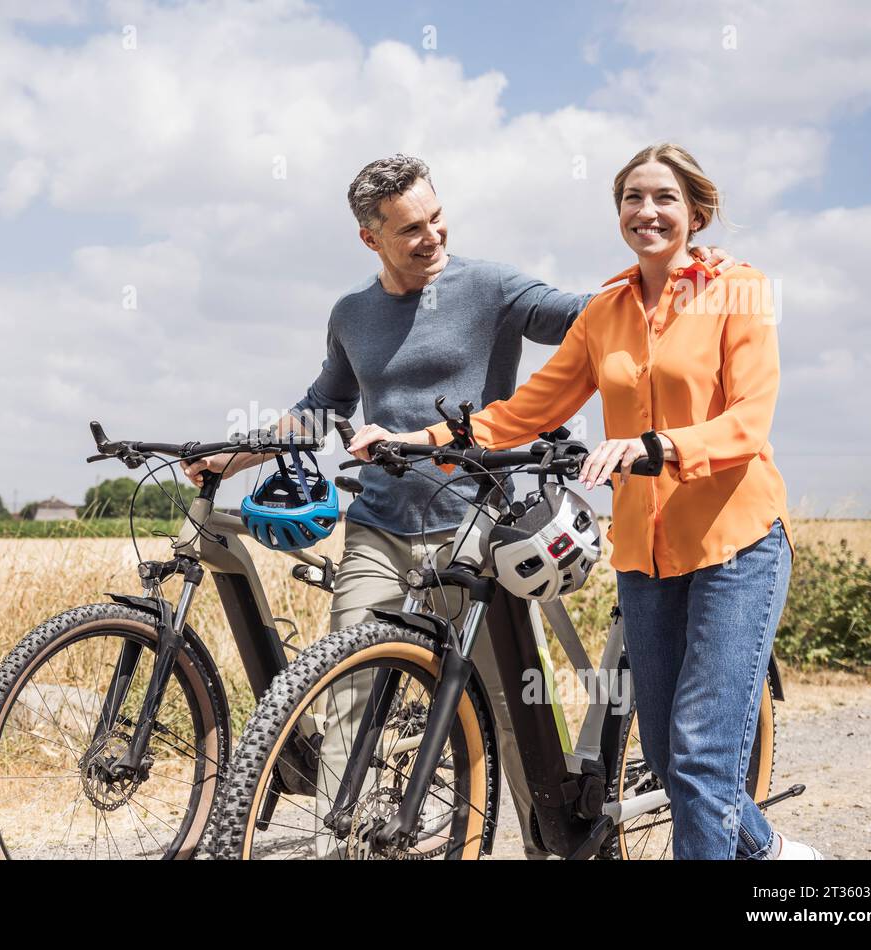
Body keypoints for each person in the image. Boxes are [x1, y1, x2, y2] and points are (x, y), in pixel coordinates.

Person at [184, 153, 734, 858]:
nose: (432, 236)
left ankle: (552, 842)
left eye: (437, 217)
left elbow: (596, 317)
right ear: (370, 238)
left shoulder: (492, 288)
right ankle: (339, 846)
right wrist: (238, 455)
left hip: (478, 530)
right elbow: (324, 405)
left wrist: (681, 265)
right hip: (380, 528)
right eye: (411, 228)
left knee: (512, 712)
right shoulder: (353, 313)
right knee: (347, 687)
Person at [350, 143, 822, 859]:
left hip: (737, 545)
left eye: (664, 198)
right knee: (670, 763)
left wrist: (653, 446)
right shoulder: (606, 311)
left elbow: (748, 423)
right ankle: (775, 857)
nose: (648, 212)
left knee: (697, 760)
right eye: (633, 198)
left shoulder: (738, 290)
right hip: (646, 555)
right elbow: (524, 411)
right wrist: (417, 440)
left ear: (696, 211)